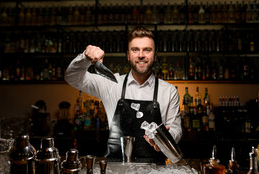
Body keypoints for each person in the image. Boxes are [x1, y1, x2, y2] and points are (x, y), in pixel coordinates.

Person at [65, 26, 182, 162]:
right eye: (135, 50)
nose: (141, 55)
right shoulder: (111, 84)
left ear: (155, 56)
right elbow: (72, 77)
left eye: (147, 50)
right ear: (128, 55)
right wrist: (85, 58)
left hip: (155, 173)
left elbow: (175, 129)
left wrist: (165, 140)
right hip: (115, 171)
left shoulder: (168, 91)